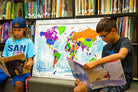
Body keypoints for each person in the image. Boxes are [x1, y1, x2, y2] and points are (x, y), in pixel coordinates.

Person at [74, 17, 134, 92]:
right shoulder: (106, 47)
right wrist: (84, 78)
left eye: (104, 36)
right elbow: (103, 68)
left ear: (113, 31)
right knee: (79, 89)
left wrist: (95, 62)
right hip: (106, 78)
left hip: (121, 80)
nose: (103, 39)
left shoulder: (125, 42)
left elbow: (121, 55)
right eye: (101, 37)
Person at [2, 17, 35, 92]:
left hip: (21, 70)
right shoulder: (9, 41)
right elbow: (4, 57)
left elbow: (30, 60)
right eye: (14, 30)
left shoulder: (29, 42)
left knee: (19, 84)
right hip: (8, 68)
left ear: (25, 29)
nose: (16, 33)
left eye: (19, 30)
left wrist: (29, 64)